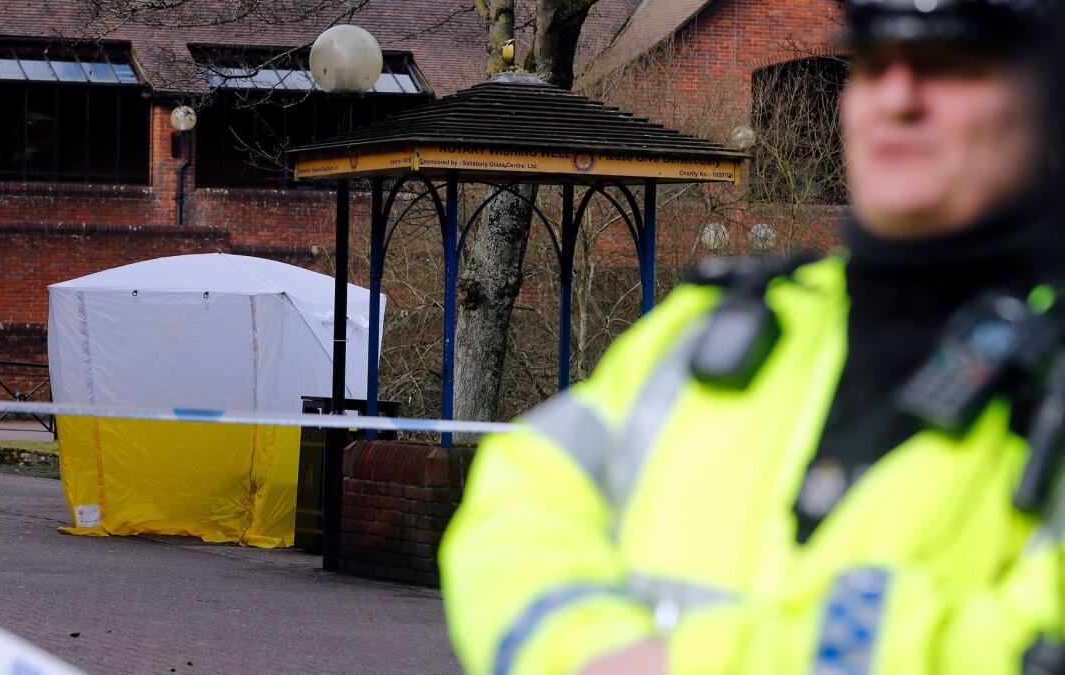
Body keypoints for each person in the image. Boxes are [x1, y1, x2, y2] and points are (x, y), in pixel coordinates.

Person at [439, 0, 1065, 673]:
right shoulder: (708, 331)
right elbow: (521, 498)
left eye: (951, 68)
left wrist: (680, 662)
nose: (898, 98)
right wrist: (585, 651)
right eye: (875, 65)